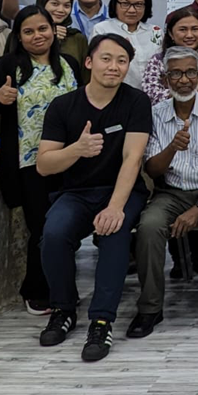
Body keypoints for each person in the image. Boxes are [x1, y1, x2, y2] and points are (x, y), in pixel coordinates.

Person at [36, 33, 151, 362]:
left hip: (121, 191)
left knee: (113, 235)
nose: (113, 67)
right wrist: (77, 149)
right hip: (76, 192)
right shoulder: (63, 106)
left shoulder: (136, 102)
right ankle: (64, 309)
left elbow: (133, 158)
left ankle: (101, 320)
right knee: (54, 235)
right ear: (89, 62)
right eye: (106, 58)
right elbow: (44, 165)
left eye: (121, 61)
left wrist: (115, 207)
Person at [130, 46, 198, 338]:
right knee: (149, 225)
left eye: (190, 72)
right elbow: (153, 171)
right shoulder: (154, 114)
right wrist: (172, 147)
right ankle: (150, 308)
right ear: (165, 79)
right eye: (176, 73)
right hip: (170, 192)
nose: (184, 80)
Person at [0, 6, 80, 315]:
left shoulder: (69, 64)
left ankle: (63, 288)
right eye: (29, 31)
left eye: (43, 28)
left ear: (54, 30)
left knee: (67, 228)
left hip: (71, 160)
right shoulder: (9, 66)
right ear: (19, 38)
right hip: (30, 164)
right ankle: (36, 289)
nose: (38, 36)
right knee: (43, 229)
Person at [142, 7, 198, 106]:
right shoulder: (158, 61)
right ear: (170, 33)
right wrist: (189, 91)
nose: (189, 35)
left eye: (195, 29)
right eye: (183, 30)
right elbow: (150, 96)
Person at [92, 0, 163, 90]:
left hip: (153, 97)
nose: (132, 10)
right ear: (115, 4)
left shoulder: (155, 31)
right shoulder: (102, 29)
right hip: (116, 94)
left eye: (138, 4)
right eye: (125, 4)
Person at [36, 0, 89, 80]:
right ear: (42, 3)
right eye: (55, 4)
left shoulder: (76, 38)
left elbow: (85, 77)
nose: (61, 10)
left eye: (67, 6)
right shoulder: (26, 35)